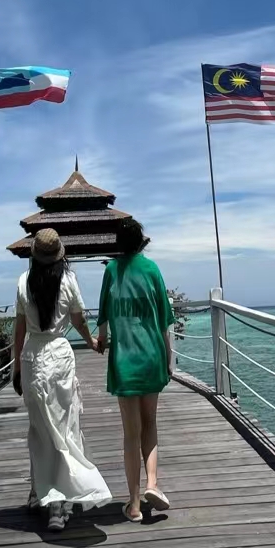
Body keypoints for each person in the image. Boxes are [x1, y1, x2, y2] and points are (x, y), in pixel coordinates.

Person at [12, 228, 111, 532]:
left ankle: (37, 492)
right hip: (59, 355)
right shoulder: (68, 281)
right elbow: (79, 319)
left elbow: (19, 328)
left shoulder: (22, 283)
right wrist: (92, 340)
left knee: (39, 428)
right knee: (63, 428)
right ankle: (57, 505)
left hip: (32, 356)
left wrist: (16, 366)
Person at [96, 219, 175, 522]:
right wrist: (168, 358)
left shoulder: (111, 271)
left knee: (131, 433)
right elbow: (165, 320)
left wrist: (101, 340)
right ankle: (153, 484)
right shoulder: (152, 269)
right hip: (152, 355)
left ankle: (133, 504)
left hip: (124, 360)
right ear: (141, 241)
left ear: (118, 243)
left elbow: (103, 315)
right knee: (150, 424)